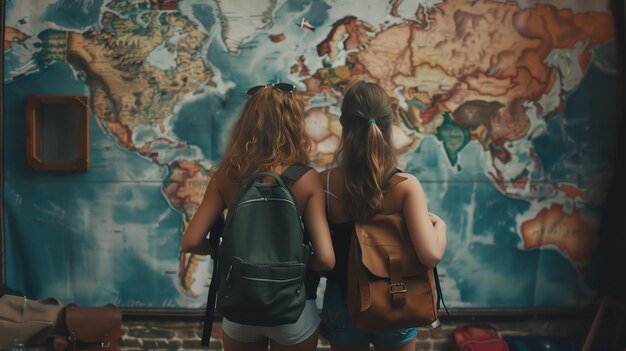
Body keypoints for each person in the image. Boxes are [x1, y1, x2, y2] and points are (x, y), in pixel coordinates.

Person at [182, 83, 335, 351]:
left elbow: (191, 241)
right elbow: (325, 258)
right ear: (293, 123)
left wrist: (219, 251)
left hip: (241, 307)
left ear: (247, 124)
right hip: (294, 310)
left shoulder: (225, 176)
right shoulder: (308, 179)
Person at [319, 81, 447, 351]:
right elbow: (430, 255)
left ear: (344, 124)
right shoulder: (406, 185)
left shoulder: (324, 183)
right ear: (389, 125)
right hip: (394, 298)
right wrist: (441, 225)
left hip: (342, 303)